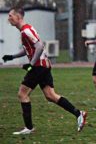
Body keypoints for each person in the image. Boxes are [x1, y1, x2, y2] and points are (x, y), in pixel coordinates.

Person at [2, 7, 87, 135]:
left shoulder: (26, 31)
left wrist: (31, 65)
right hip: (43, 66)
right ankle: (78, 113)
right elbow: (29, 49)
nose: (9, 18)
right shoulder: (25, 30)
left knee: (22, 94)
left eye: (10, 16)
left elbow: (40, 46)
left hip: (38, 66)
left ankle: (29, 128)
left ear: (18, 17)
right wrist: (13, 57)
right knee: (50, 95)